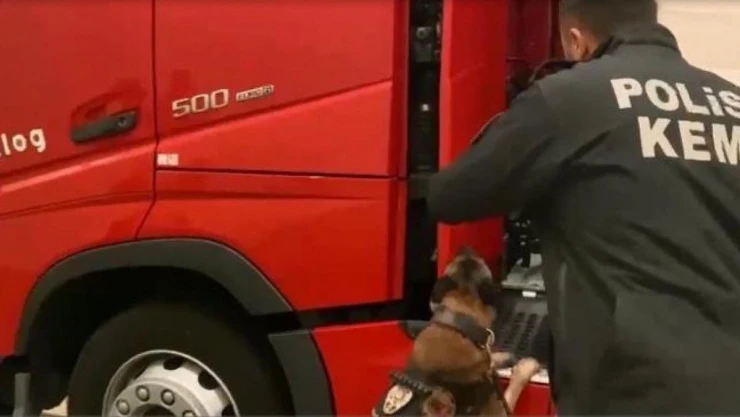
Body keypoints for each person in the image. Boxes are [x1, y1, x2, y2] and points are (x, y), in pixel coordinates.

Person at [426, 0, 740, 414]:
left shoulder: (567, 99)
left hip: (629, 392)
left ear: (576, 41)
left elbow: (449, 196)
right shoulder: (731, 103)